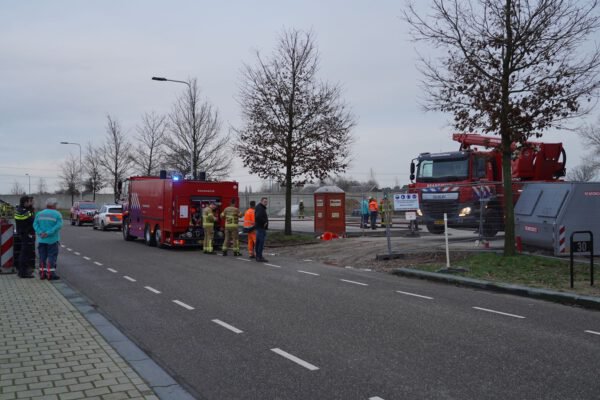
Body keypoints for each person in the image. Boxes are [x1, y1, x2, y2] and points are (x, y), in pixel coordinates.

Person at [33, 198, 63, 280]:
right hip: (52, 240)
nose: (56, 206)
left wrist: (40, 232)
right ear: (53, 205)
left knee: (42, 256)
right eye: (56, 205)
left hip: (41, 239)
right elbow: (58, 226)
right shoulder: (57, 214)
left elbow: (35, 224)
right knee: (52, 256)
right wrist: (48, 233)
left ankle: (42, 273)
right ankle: (50, 274)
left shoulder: (39, 214)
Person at [15, 196, 35, 278]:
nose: (31, 203)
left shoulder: (20, 210)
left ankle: (22, 270)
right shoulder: (24, 212)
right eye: (29, 201)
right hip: (26, 234)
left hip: (23, 234)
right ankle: (23, 272)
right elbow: (32, 221)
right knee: (25, 254)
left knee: (24, 253)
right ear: (25, 202)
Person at [254, 197, 269, 262]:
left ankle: (258, 256)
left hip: (259, 227)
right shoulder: (260, 208)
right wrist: (264, 222)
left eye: (266, 201)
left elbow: (257, 216)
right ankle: (259, 256)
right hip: (261, 228)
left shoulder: (259, 207)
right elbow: (258, 216)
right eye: (265, 201)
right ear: (261, 201)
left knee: (258, 242)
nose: (266, 203)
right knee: (261, 243)